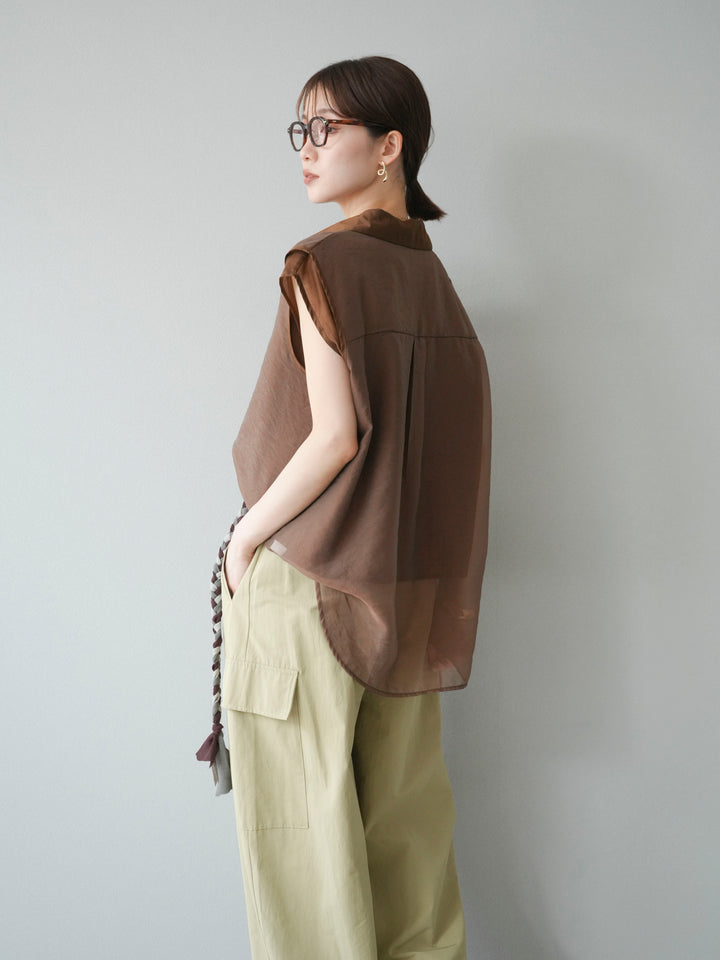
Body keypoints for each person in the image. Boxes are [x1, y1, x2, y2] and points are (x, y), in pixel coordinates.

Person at [213, 55, 490, 960]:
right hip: (403, 591)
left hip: (310, 585)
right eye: (301, 129)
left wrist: (245, 540)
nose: (306, 147)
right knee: (408, 841)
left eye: (326, 128)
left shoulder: (323, 264)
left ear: (389, 146)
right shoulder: (433, 281)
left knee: (303, 846)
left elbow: (334, 436)